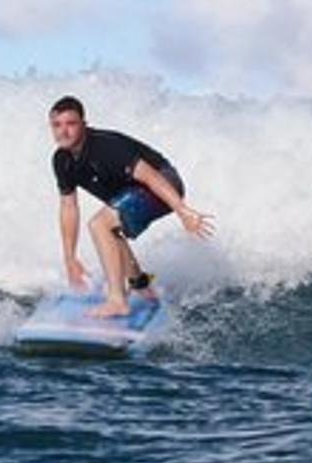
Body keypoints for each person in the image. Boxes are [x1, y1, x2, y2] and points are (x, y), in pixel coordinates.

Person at [48, 95, 213, 318]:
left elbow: (151, 176)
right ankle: (142, 286)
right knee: (110, 228)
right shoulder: (62, 160)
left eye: (71, 124)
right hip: (130, 193)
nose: (63, 131)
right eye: (57, 125)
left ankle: (117, 301)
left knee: (100, 224)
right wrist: (70, 257)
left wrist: (182, 211)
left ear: (84, 125)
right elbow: (69, 207)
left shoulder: (105, 147)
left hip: (163, 183)